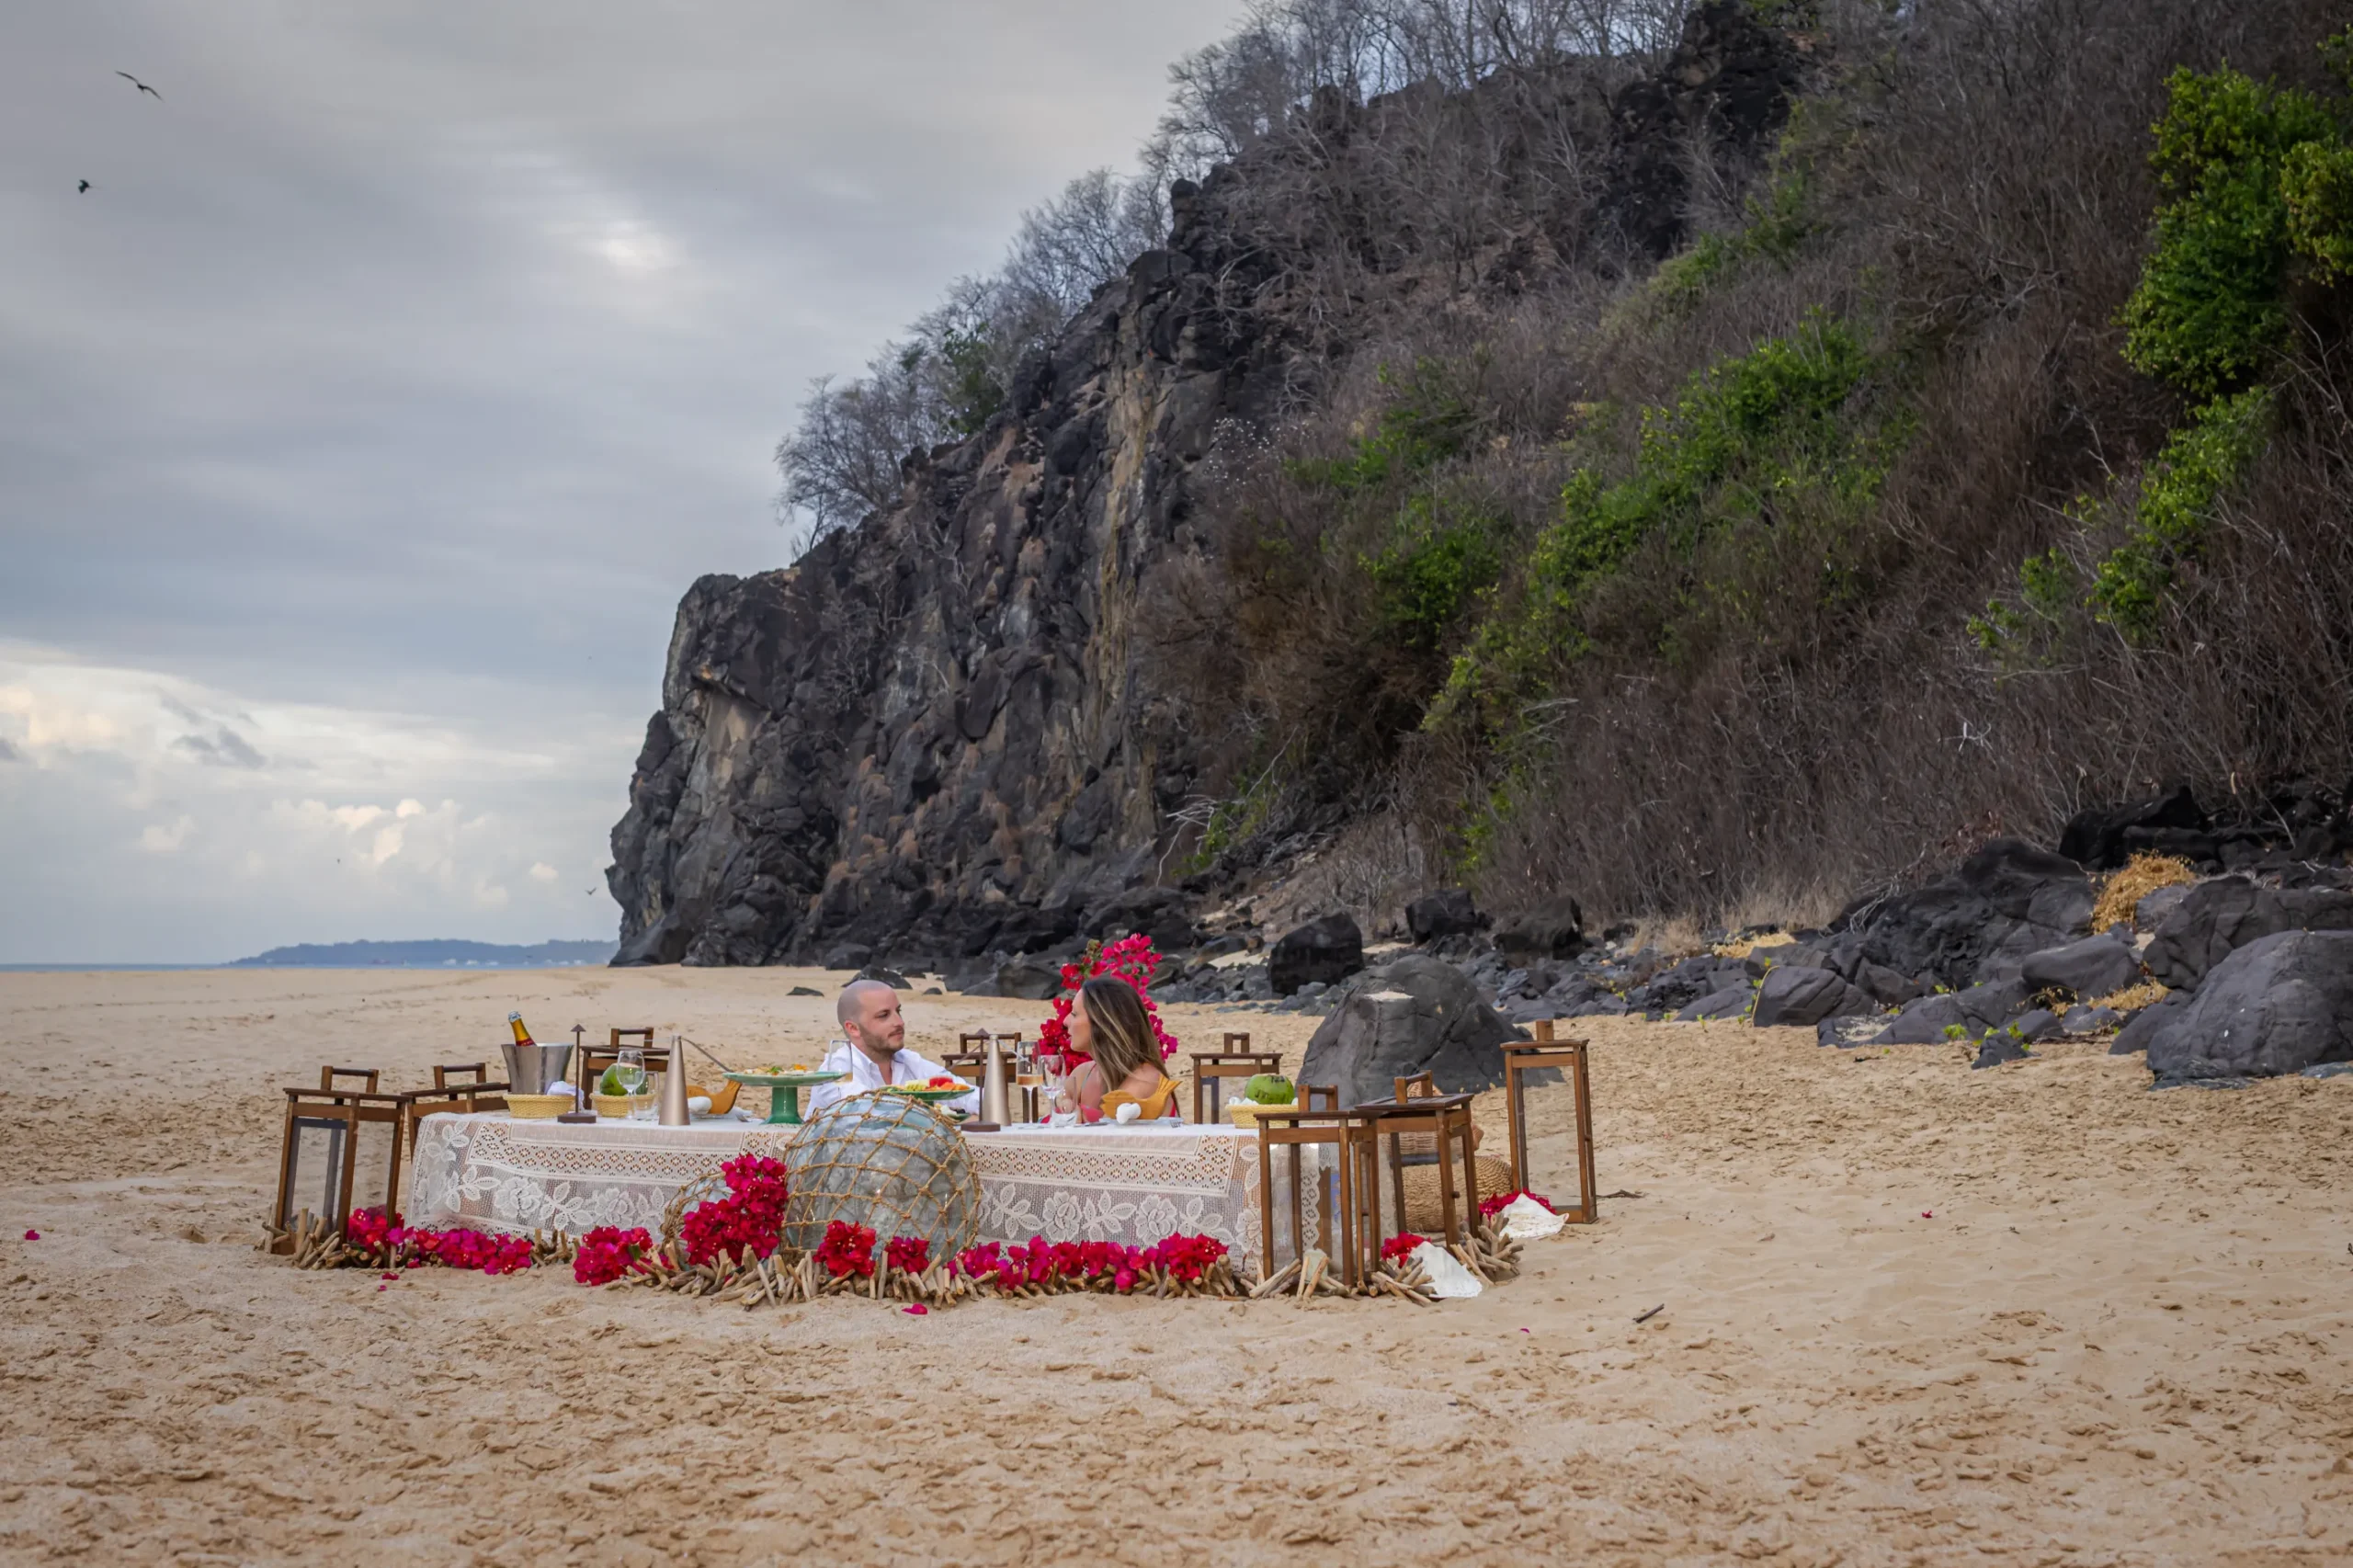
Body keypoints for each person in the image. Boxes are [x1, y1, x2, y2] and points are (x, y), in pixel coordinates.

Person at [807, 980, 981, 1118]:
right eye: (884, 1015)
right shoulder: (836, 1070)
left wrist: (980, 1108)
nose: (899, 1022)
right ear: (853, 1028)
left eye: (898, 1011)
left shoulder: (908, 1060)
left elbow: (968, 1094)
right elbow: (866, 1112)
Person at [1063, 976, 1182, 1121]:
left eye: (1074, 1014)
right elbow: (1061, 1097)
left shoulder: (1144, 1080)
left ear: (1103, 1023)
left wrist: (1071, 1119)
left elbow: (1106, 1133)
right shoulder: (1084, 1073)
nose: (1065, 1021)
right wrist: (1065, 1103)